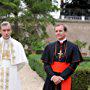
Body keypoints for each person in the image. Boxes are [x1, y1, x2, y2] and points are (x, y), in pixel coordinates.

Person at [41, 24, 83, 90]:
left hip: (65, 77)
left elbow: (74, 64)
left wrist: (61, 77)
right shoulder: (49, 47)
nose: (58, 33)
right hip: (51, 78)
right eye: (56, 31)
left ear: (65, 32)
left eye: (60, 31)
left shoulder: (73, 47)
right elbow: (46, 64)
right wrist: (53, 76)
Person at [0, 21, 28, 90]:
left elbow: (22, 63)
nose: (6, 32)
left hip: (12, 72)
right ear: (0, 31)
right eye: (4, 30)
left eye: (8, 30)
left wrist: (14, 69)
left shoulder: (17, 45)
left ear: (11, 31)